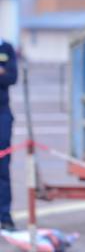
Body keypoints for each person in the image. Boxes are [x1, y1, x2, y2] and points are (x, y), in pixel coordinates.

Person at [0, 39, 17, 231]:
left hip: (2, 115)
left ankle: (5, 216)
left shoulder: (5, 47)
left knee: (3, 170)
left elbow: (11, 77)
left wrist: (4, 73)